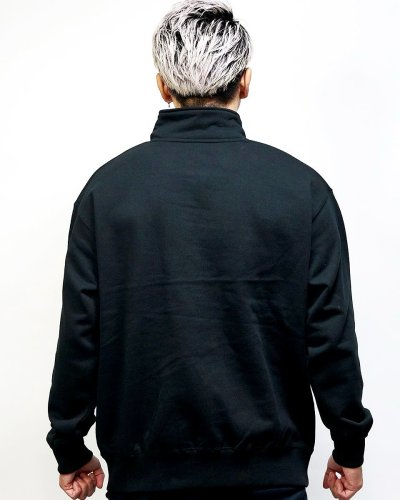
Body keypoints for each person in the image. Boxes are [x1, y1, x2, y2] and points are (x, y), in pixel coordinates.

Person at [45, 1, 373, 499]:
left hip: (145, 481)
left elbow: (80, 333)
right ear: (245, 81)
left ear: (162, 86)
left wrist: (70, 447)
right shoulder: (303, 191)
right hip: (270, 481)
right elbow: (331, 335)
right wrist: (348, 445)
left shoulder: (106, 193)